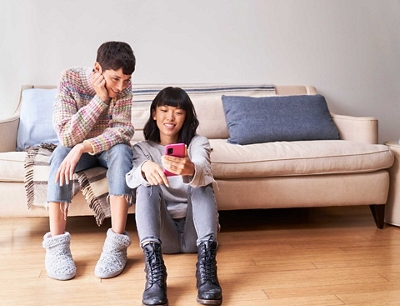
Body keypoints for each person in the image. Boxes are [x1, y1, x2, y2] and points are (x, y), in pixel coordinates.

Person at [42, 41, 136, 281]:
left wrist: (85, 146)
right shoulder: (69, 79)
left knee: (122, 151)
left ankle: (116, 245)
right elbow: (66, 135)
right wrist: (100, 100)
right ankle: (57, 247)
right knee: (61, 154)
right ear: (97, 68)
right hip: (75, 149)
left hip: (103, 150)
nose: (121, 86)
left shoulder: (124, 86)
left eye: (126, 80)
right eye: (115, 79)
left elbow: (123, 130)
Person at [126, 87, 223, 305]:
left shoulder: (198, 143)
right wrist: (144, 168)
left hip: (195, 235)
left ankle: (207, 270)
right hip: (164, 235)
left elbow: (203, 168)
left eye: (178, 112)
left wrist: (190, 168)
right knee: (145, 182)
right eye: (164, 110)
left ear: (186, 117)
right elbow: (130, 179)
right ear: (154, 114)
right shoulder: (142, 149)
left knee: (202, 180)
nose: (170, 117)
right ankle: (155, 274)